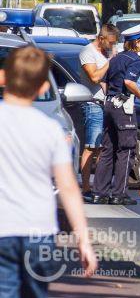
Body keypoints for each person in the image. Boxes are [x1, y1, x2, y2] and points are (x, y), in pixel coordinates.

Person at [0, 46, 97, 296]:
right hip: (39, 232)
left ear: (4, 78)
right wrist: (83, 239)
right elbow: (67, 187)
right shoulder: (51, 129)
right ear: (44, 87)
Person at [91, 24, 140, 206]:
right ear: (137, 42)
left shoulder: (116, 58)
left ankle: (99, 193)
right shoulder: (134, 59)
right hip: (123, 105)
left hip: (109, 103)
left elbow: (104, 82)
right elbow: (129, 81)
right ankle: (119, 193)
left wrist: (112, 94)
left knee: (108, 149)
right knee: (126, 149)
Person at [78, 23, 120, 199]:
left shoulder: (105, 52)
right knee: (91, 146)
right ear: (101, 38)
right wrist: (111, 62)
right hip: (93, 104)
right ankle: (86, 188)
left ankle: (99, 187)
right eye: (110, 43)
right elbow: (94, 76)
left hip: (107, 103)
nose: (112, 46)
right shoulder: (87, 52)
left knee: (104, 147)